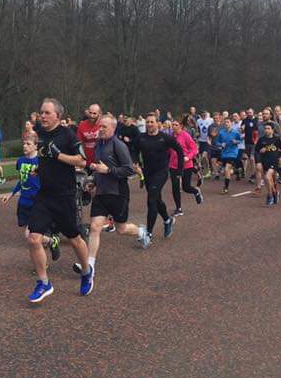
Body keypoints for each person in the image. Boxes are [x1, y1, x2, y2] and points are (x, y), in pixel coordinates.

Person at [26, 98, 93, 303]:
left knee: (74, 238)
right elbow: (42, 151)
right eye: (41, 112)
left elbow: (82, 161)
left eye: (47, 113)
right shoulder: (41, 131)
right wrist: (39, 168)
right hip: (44, 195)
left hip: (64, 196)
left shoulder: (68, 135)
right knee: (33, 238)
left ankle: (86, 271)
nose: (42, 116)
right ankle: (44, 283)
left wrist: (58, 155)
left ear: (58, 115)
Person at [86, 114, 147, 259]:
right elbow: (99, 168)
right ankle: (89, 266)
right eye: (100, 126)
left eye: (104, 127)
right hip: (101, 193)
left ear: (113, 128)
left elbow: (129, 170)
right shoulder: (98, 145)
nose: (100, 129)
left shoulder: (119, 145)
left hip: (118, 192)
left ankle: (141, 232)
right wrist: (93, 180)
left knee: (121, 229)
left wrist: (108, 170)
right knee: (95, 227)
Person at [132, 112, 184, 247]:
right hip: (148, 173)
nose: (149, 124)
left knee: (151, 200)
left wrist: (179, 170)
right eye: (147, 122)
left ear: (157, 124)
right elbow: (134, 150)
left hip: (161, 173)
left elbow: (179, 150)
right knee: (157, 200)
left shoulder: (165, 138)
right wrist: (135, 161)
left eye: (152, 122)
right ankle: (167, 220)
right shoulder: (141, 137)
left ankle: (148, 234)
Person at [169, 118, 202, 215]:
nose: (173, 126)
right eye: (172, 125)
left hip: (186, 165)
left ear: (181, 126)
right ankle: (178, 208)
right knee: (175, 187)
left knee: (186, 187)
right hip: (173, 165)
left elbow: (194, 149)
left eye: (176, 125)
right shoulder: (170, 137)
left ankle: (196, 191)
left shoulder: (185, 136)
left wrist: (188, 157)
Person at [254, 123, 281, 206]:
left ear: (272, 130)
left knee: (268, 177)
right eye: (265, 128)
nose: (266, 130)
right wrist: (258, 160)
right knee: (270, 180)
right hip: (264, 161)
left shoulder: (276, 139)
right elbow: (256, 151)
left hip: (274, 162)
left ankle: (269, 196)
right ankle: (275, 192)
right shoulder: (261, 140)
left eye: (268, 128)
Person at [215, 115, 244, 194]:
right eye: (225, 122)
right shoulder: (221, 132)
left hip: (233, 153)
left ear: (231, 123)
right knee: (225, 172)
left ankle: (226, 188)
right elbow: (217, 142)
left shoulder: (235, 132)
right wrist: (221, 144)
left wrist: (236, 142)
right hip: (224, 153)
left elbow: (240, 141)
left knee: (227, 168)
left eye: (228, 122)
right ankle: (235, 171)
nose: (226, 123)